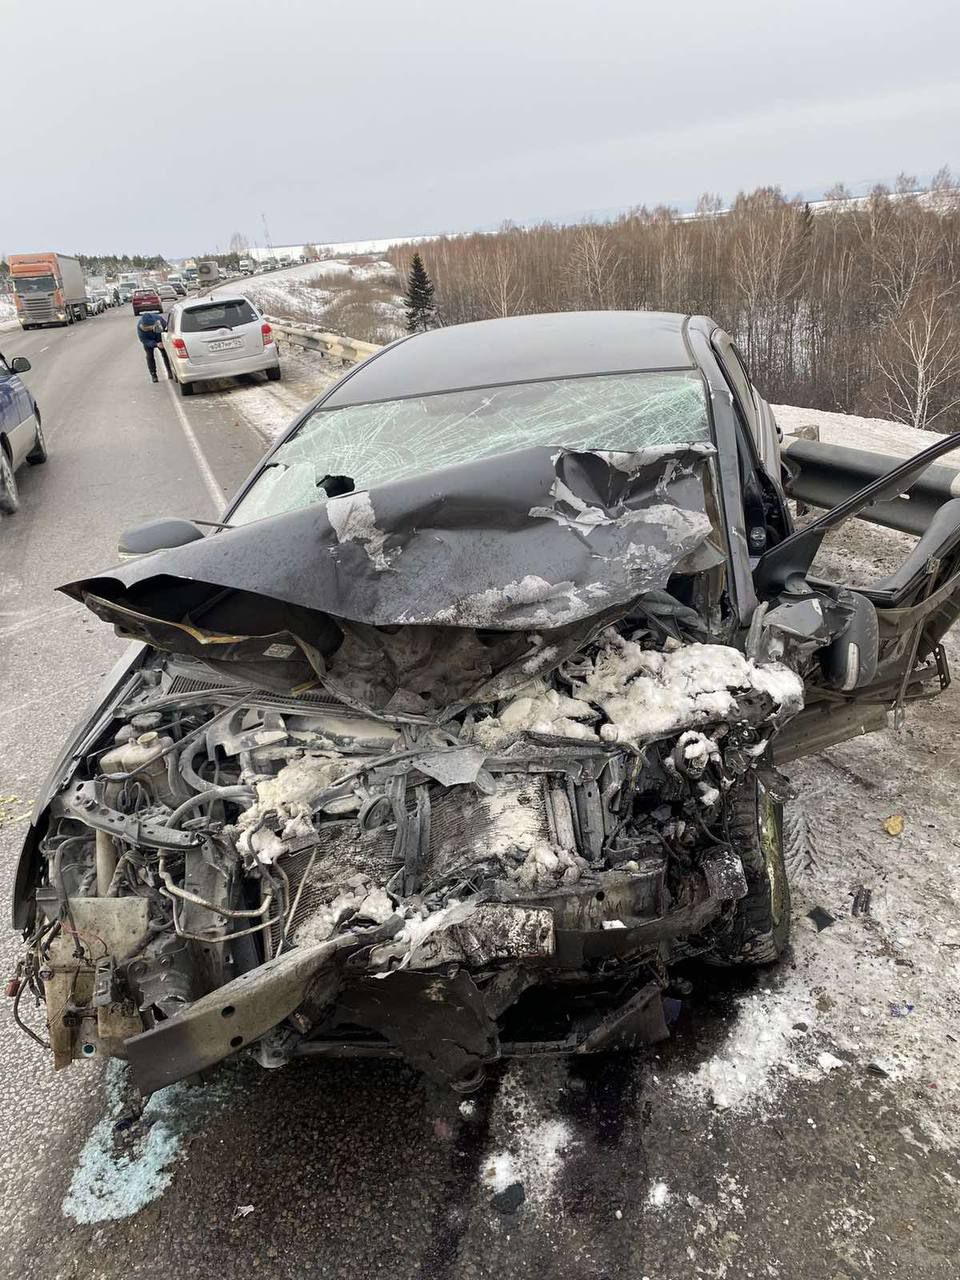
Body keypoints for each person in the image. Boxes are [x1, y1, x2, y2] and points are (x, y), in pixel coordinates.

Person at [136, 310, 172, 383]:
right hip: (149, 341)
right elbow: (144, 340)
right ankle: (153, 375)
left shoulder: (159, 320)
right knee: (149, 356)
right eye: (146, 328)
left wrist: (163, 340)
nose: (148, 329)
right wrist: (155, 344)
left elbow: (167, 329)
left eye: (150, 327)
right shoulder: (140, 328)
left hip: (159, 337)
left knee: (165, 354)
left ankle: (170, 372)